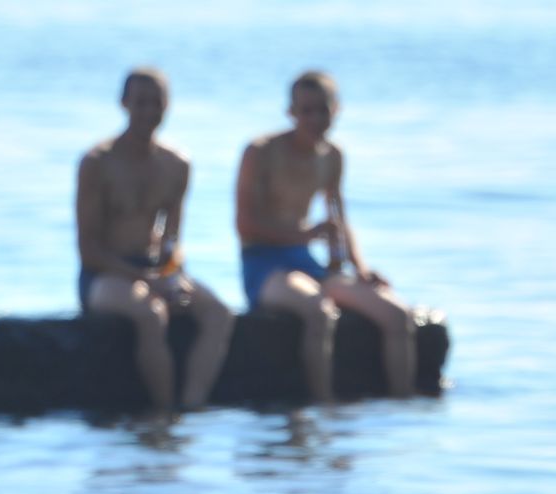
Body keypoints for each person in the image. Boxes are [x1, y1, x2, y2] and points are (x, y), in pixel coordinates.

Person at [235, 70, 417, 403]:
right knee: (318, 311)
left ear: (336, 110)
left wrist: (360, 268)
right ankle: (324, 406)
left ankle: (402, 405)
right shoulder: (261, 151)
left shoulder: (332, 156)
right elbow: (245, 226)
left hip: (308, 263)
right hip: (266, 264)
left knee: (398, 316)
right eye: (306, 111)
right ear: (291, 113)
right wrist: (305, 234)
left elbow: (339, 220)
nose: (315, 119)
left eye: (322, 110)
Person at [76, 68, 234, 414]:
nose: (149, 112)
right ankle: (163, 414)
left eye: (157, 103)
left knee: (219, 313)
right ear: (124, 104)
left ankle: (192, 404)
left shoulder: (177, 163)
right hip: (106, 275)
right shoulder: (97, 163)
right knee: (150, 315)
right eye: (141, 103)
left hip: (153, 271)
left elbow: (172, 238)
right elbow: (89, 250)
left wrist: (171, 275)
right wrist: (142, 281)